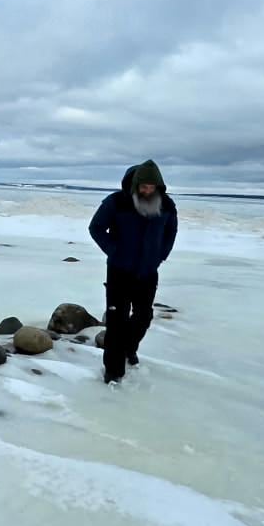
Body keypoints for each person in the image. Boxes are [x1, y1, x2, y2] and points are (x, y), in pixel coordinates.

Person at [88, 159, 178, 383]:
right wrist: (114, 251)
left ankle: (129, 348)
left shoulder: (166, 205)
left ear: (159, 186)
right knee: (117, 322)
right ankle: (113, 372)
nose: (147, 191)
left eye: (152, 187)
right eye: (143, 187)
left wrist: (160, 256)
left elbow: (170, 232)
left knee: (143, 317)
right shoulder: (117, 202)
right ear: (135, 185)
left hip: (147, 272)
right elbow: (96, 227)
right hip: (119, 271)